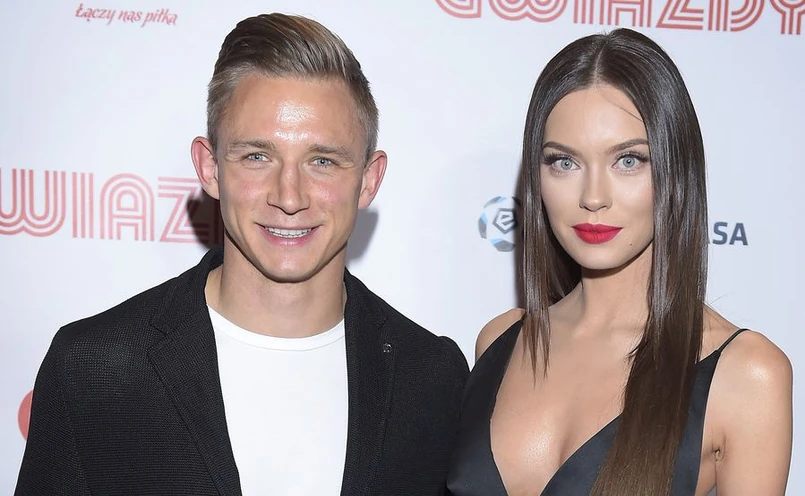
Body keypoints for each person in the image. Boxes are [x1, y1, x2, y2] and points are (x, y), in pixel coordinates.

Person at [16, 13, 469, 495]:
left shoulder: (431, 379)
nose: (289, 197)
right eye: (257, 156)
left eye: (322, 161)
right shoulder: (93, 367)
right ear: (210, 168)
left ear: (369, 179)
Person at [447, 28, 792, 496]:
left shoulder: (746, 375)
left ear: (676, 169)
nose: (593, 197)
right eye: (564, 162)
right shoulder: (500, 341)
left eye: (628, 160)